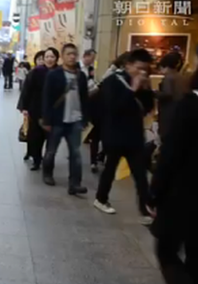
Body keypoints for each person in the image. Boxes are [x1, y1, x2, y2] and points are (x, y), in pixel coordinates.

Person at [147, 44, 198, 284]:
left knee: (166, 249)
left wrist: (154, 191)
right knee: (195, 251)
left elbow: (173, 154)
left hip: (186, 193)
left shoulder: (192, 103)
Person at [93, 49, 155, 225]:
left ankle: (145, 210)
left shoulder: (142, 83)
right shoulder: (113, 81)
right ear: (128, 65)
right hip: (115, 135)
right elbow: (114, 108)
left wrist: (146, 89)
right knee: (110, 169)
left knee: (140, 175)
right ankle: (101, 199)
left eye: (146, 69)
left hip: (134, 136)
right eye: (139, 68)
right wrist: (133, 88)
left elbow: (148, 108)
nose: (142, 72)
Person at [41, 44, 89, 195]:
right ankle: (47, 173)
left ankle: (75, 183)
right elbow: (47, 98)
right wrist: (47, 120)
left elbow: (84, 99)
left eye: (74, 54)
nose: (72, 57)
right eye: (68, 54)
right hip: (57, 119)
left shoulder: (81, 76)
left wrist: (85, 118)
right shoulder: (54, 75)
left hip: (75, 119)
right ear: (62, 56)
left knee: (75, 153)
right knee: (51, 150)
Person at [18, 50, 49, 168]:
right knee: (33, 133)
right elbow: (26, 91)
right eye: (39, 59)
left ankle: (42, 157)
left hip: (49, 109)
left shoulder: (54, 72)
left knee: (44, 136)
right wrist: (24, 107)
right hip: (34, 108)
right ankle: (35, 156)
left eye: (44, 58)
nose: (42, 61)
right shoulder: (33, 73)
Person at [156, 51, 186, 140]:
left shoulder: (169, 77)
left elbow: (167, 94)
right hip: (180, 112)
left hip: (169, 112)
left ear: (164, 67)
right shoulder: (181, 76)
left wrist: (154, 93)